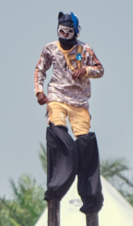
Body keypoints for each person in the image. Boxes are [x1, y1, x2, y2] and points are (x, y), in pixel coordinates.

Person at [35, 11, 105, 214]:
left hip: (79, 101)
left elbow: (100, 69)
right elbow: (40, 70)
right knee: (57, 131)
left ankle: (89, 194)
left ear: (75, 32)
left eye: (69, 32)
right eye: (61, 31)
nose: (65, 36)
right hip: (57, 97)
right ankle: (58, 181)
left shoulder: (85, 49)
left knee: (85, 141)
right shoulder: (49, 49)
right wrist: (39, 91)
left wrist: (87, 70)